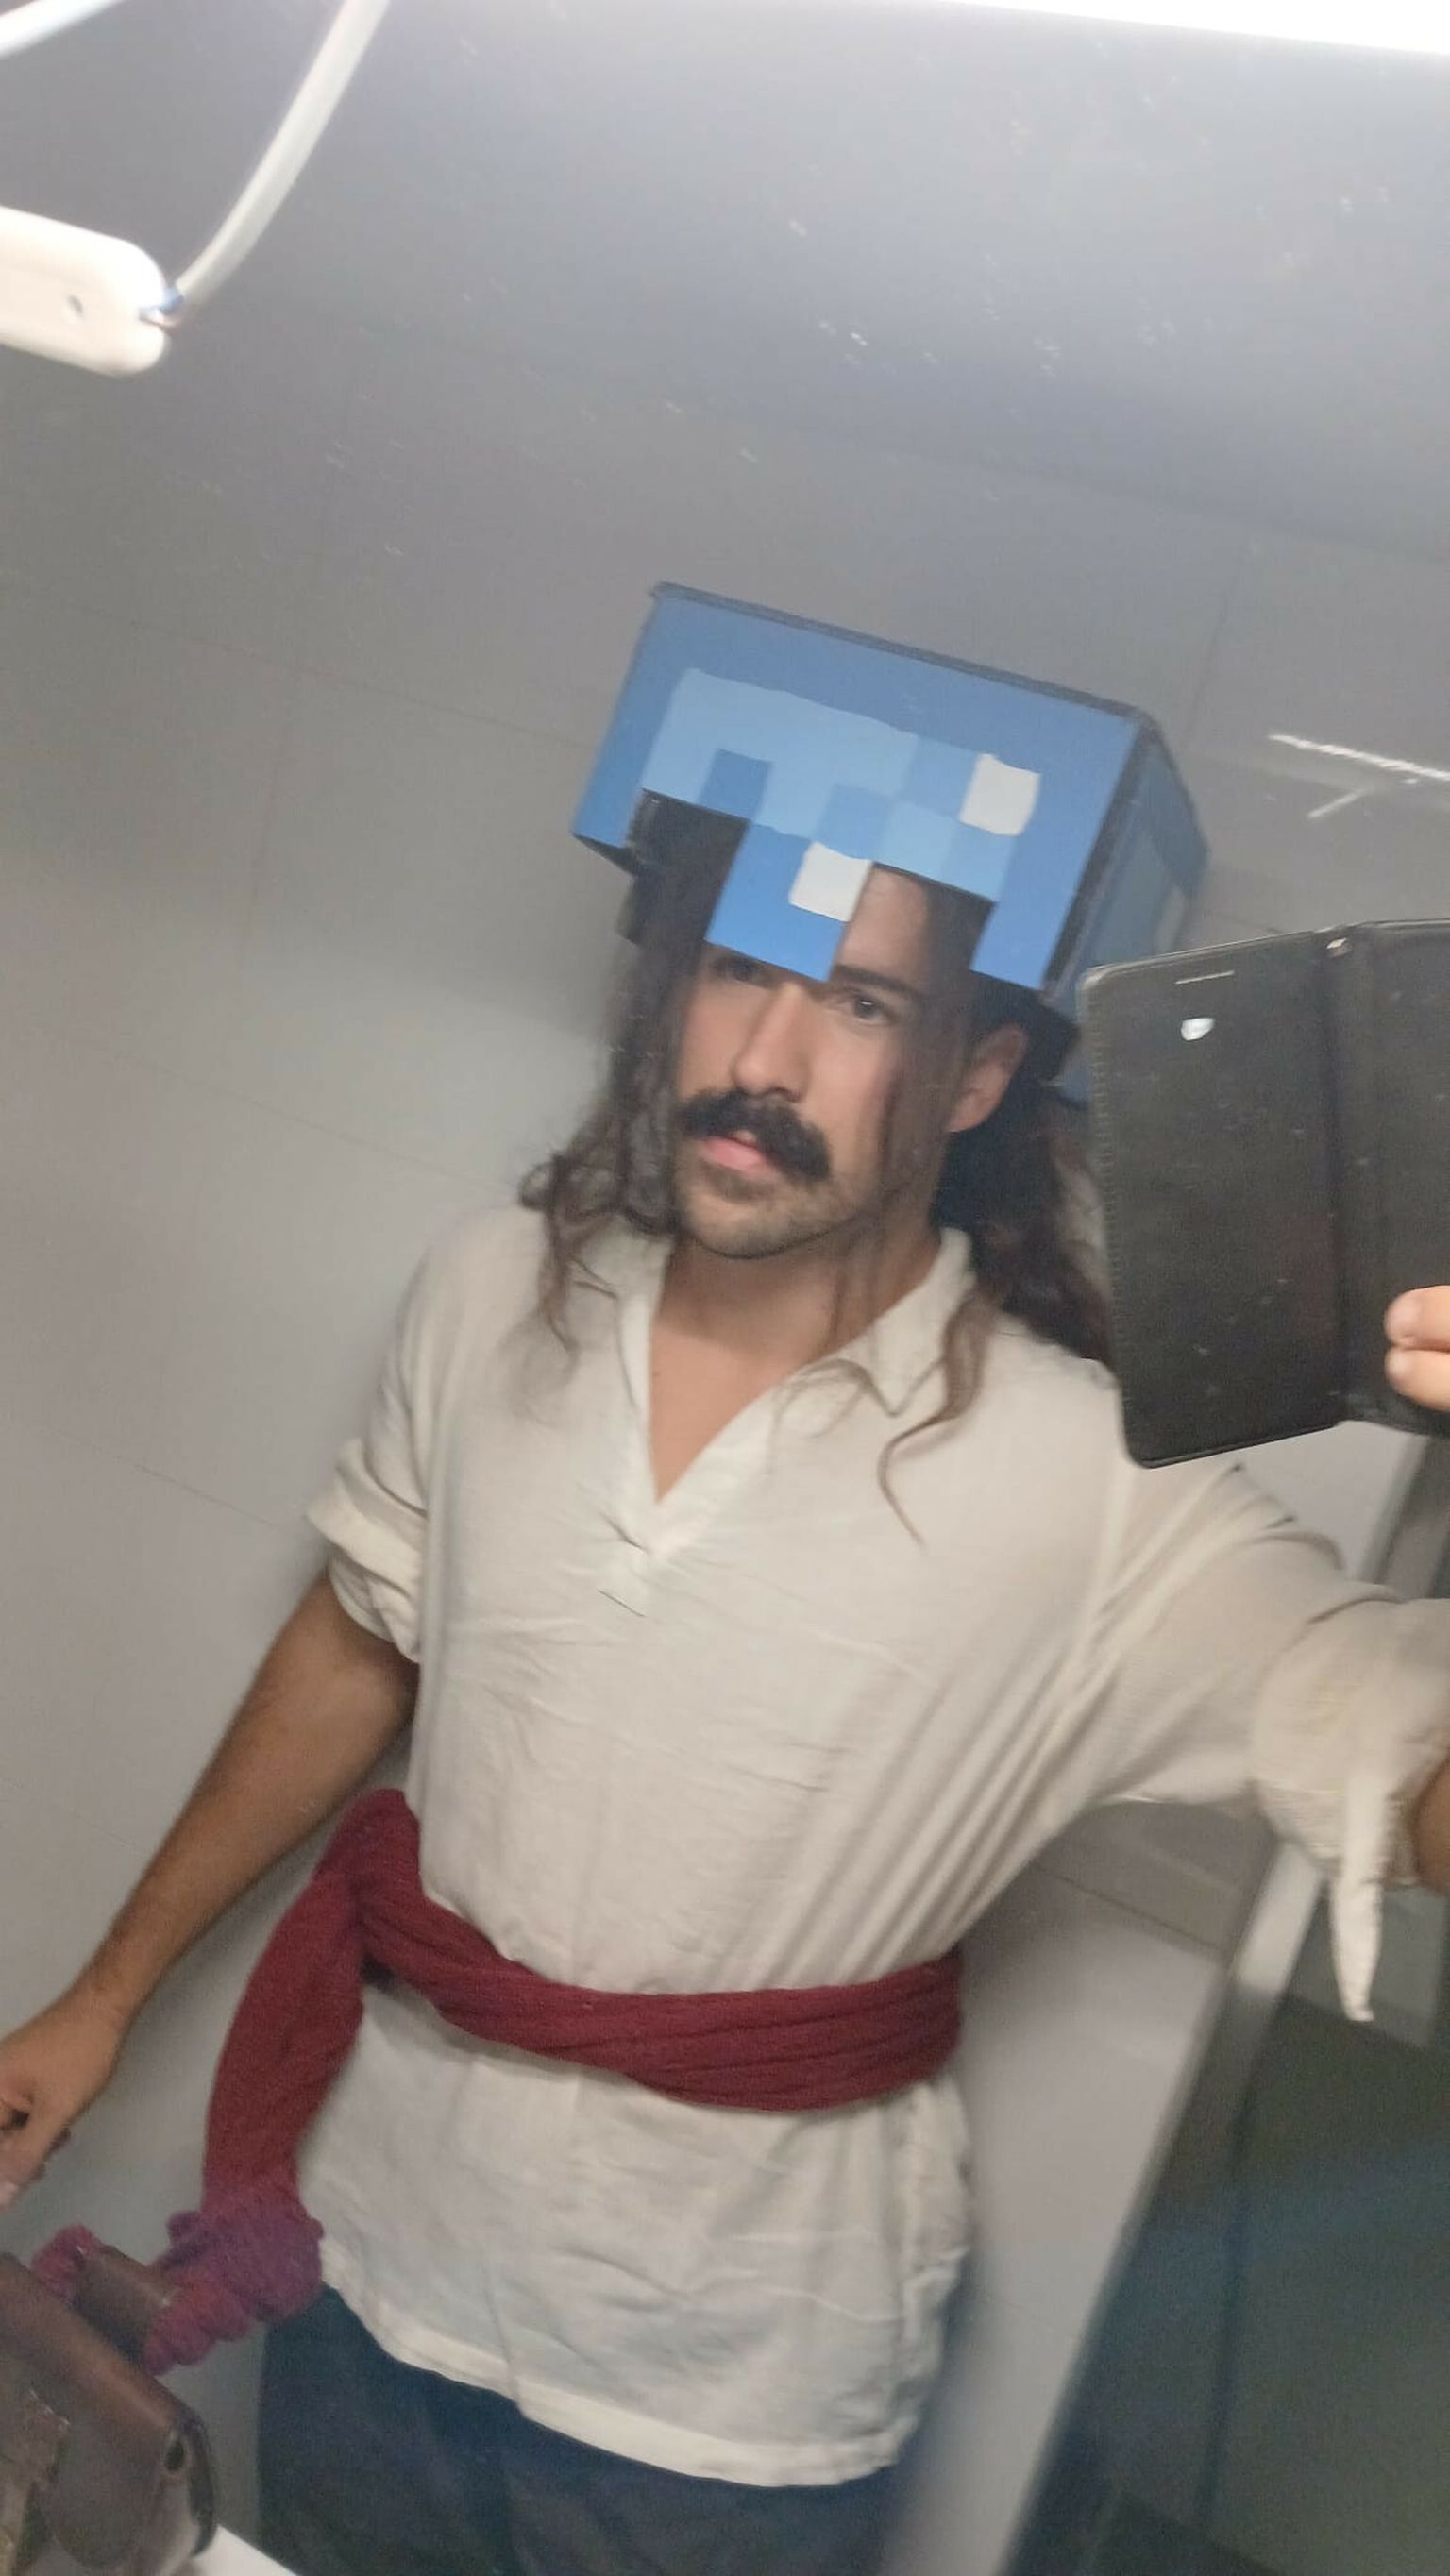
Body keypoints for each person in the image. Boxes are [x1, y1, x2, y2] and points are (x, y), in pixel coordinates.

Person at [4, 847, 1450, 2576]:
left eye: (863, 1003)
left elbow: (1416, 1784)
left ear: (979, 1074)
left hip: (728, 2409)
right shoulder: (492, 1291)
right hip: (369, 2281)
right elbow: (359, 1639)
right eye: (740, 968)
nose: (765, 1058)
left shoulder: (1094, 1482)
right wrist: (102, 1996)